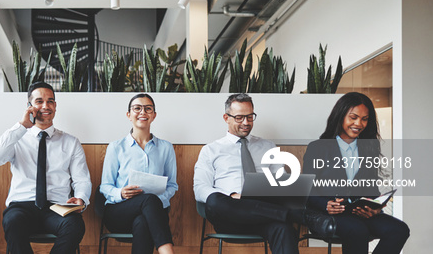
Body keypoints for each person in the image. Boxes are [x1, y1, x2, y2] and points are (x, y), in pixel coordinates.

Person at [193, 93, 336, 254]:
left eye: (250, 117)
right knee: (214, 200)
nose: (246, 123)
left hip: (265, 217)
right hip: (229, 215)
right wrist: (232, 196)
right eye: (239, 117)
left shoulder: (267, 146)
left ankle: (290, 216)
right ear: (226, 118)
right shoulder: (211, 150)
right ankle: (301, 217)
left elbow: (281, 184)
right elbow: (200, 189)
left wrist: (292, 186)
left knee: (283, 228)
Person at [0, 81, 92, 254]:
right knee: (12, 221)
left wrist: (81, 198)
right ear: (29, 106)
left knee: (75, 224)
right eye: (39, 101)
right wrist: (21, 126)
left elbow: (82, 179)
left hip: (57, 207)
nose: (45, 106)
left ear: (55, 106)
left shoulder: (70, 142)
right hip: (22, 206)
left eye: (50, 101)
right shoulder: (17, 137)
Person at [303, 92, 409, 254]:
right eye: (353, 117)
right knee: (357, 230)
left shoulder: (369, 147)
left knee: (399, 229)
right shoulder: (318, 147)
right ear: (340, 116)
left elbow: (371, 188)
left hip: (358, 212)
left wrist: (375, 208)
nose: (359, 123)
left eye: (364, 119)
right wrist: (326, 204)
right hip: (328, 213)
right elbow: (307, 190)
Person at [100, 93, 178, 254]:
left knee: (143, 219)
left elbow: (172, 185)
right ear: (129, 115)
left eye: (148, 109)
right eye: (137, 108)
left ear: (154, 115)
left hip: (152, 213)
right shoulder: (116, 147)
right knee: (148, 201)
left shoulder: (166, 148)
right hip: (119, 211)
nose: (143, 112)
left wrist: (157, 201)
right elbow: (105, 186)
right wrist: (120, 192)